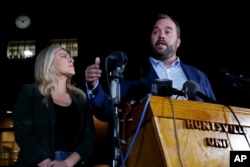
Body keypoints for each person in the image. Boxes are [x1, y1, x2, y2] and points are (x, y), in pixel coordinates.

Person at [84, 13, 217, 166]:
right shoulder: (131, 74)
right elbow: (108, 110)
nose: (161, 35)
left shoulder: (198, 77)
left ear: (178, 42)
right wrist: (93, 85)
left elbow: (214, 113)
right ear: (150, 39)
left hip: (195, 152)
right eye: (156, 32)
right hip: (148, 153)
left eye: (167, 31)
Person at [13, 45, 95, 167]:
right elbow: (23, 132)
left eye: (71, 57)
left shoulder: (80, 99)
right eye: (64, 56)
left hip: (72, 163)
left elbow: (88, 137)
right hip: (38, 163)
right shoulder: (30, 92)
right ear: (48, 63)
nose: (71, 60)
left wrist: (67, 163)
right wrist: (43, 161)